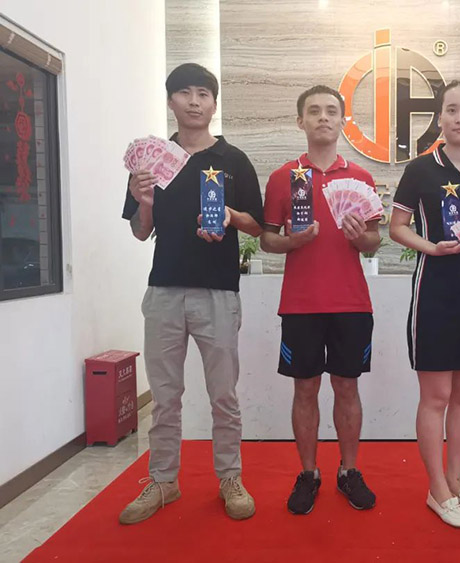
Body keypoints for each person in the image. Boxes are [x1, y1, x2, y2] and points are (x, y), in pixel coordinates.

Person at [119, 63, 263, 524]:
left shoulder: (234, 160)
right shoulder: (152, 161)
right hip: (164, 290)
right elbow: (141, 232)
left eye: (204, 93)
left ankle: (230, 478)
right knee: (164, 396)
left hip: (218, 292)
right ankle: (163, 480)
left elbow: (258, 225)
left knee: (224, 395)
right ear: (171, 101)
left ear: (214, 104)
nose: (195, 101)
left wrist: (231, 217)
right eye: (185, 93)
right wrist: (143, 201)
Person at [261, 85, 380, 515]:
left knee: (347, 387)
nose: (323, 117)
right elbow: (267, 240)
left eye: (332, 111)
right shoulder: (283, 178)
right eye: (314, 111)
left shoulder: (361, 177)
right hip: (300, 304)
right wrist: (291, 241)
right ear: (301, 122)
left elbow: (374, 240)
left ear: (343, 121)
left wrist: (360, 238)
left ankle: (349, 471)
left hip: (352, 303)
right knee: (305, 388)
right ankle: (308, 473)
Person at [389, 80, 460, 528]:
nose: (459, 118)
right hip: (434, 290)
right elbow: (397, 227)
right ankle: (436, 488)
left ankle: (456, 480)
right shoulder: (420, 169)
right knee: (436, 396)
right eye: (451, 110)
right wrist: (431, 248)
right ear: (440, 117)